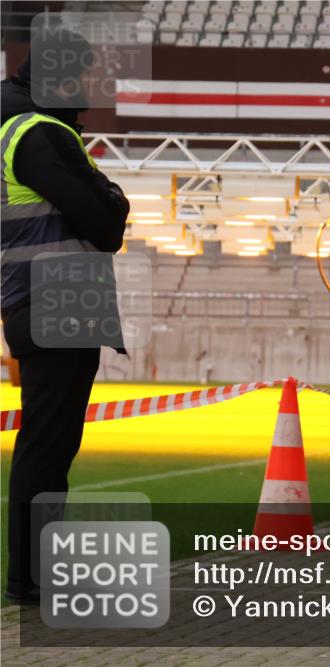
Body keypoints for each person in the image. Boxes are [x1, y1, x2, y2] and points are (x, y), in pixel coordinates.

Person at [1, 30, 129, 604]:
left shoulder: (28, 127)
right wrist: (111, 198)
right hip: (55, 297)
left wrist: (107, 202)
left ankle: (35, 573)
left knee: (52, 444)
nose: (84, 88)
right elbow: (105, 224)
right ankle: (29, 578)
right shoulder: (41, 135)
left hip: (49, 298)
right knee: (47, 446)